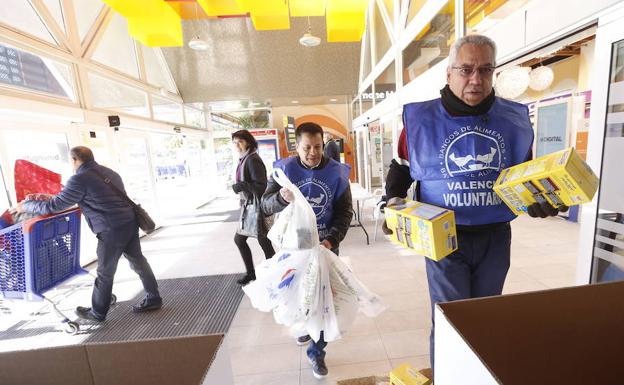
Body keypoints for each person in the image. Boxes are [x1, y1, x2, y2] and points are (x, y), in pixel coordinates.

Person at [383, 34, 566, 373]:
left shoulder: (515, 119)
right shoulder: (419, 121)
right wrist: (392, 201)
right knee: (452, 320)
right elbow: (402, 169)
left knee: (485, 317)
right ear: (449, 73)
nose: (475, 79)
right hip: (444, 238)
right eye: (465, 69)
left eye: (485, 70)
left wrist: (540, 201)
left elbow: (524, 177)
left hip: (496, 237)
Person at [11, 146, 161, 322]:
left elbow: (53, 206)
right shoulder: (109, 172)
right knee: (138, 261)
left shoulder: (79, 179)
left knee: (105, 272)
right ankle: (154, 297)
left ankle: (97, 312)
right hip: (128, 222)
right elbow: (94, 197)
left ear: (75, 160)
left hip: (110, 229)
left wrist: (25, 206)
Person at [262, 122, 353, 380]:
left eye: (317, 146)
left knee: (326, 300)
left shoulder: (337, 173)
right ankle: (306, 325)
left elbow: (345, 211)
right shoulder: (284, 170)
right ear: (297, 147)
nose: (313, 152)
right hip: (295, 249)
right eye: (307, 147)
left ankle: (317, 350)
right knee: (301, 294)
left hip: (326, 246)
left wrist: (333, 239)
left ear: (323, 144)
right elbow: (265, 205)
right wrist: (281, 197)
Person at [231, 129, 275, 285]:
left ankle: (273, 273)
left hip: (256, 209)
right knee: (252, 240)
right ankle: (253, 273)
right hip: (249, 207)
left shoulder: (252, 159)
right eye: (235, 142)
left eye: (240, 142)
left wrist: (242, 185)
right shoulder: (244, 159)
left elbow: (261, 186)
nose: (237, 145)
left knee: (263, 241)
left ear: (248, 142)